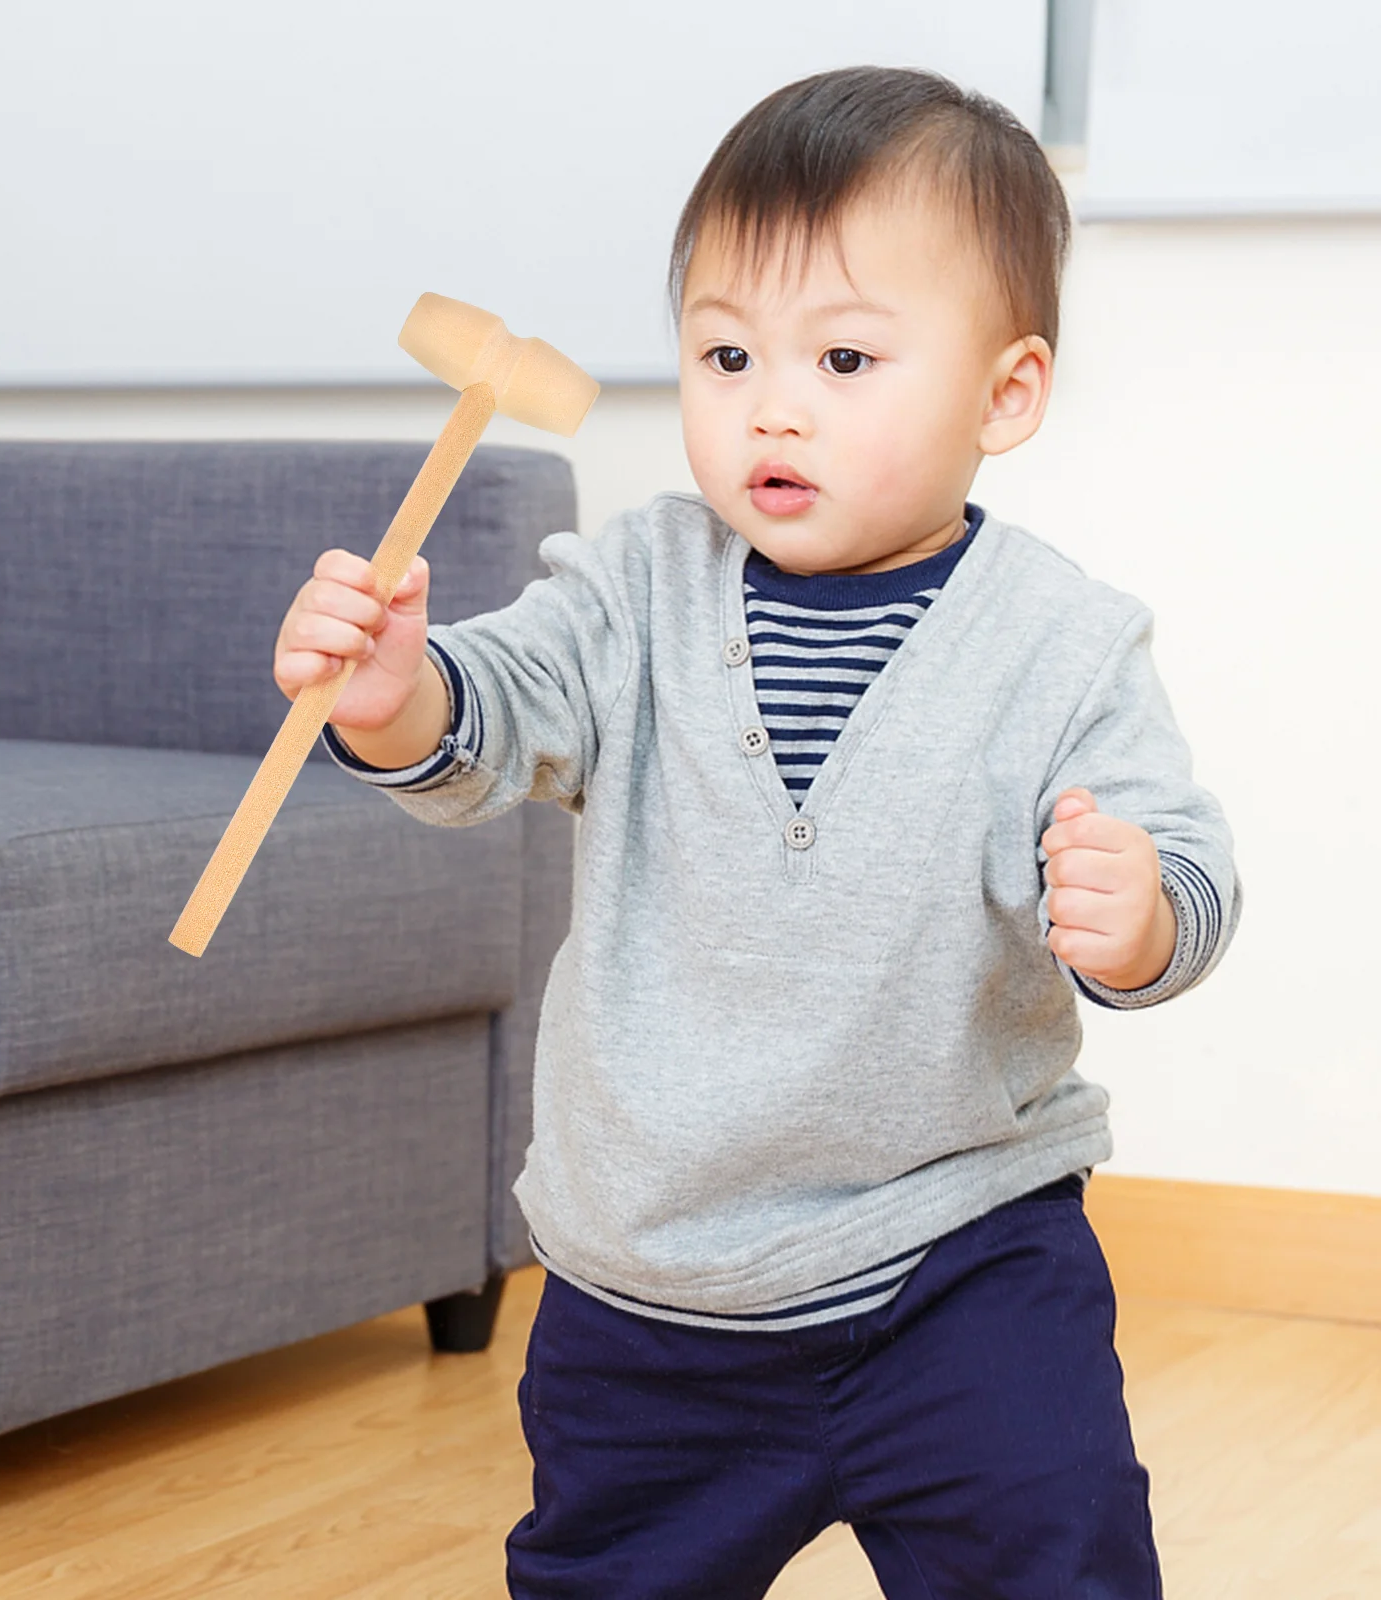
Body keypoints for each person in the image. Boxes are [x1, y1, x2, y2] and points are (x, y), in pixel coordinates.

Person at [274, 64, 1241, 1600]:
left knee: (1060, 1563)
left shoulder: (1062, 642)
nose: (771, 407)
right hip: (649, 1285)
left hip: (958, 1256)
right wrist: (397, 699)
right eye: (726, 354)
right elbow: (498, 714)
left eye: (845, 358)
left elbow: (1176, 852)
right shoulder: (637, 588)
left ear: (1005, 395)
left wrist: (1143, 914)